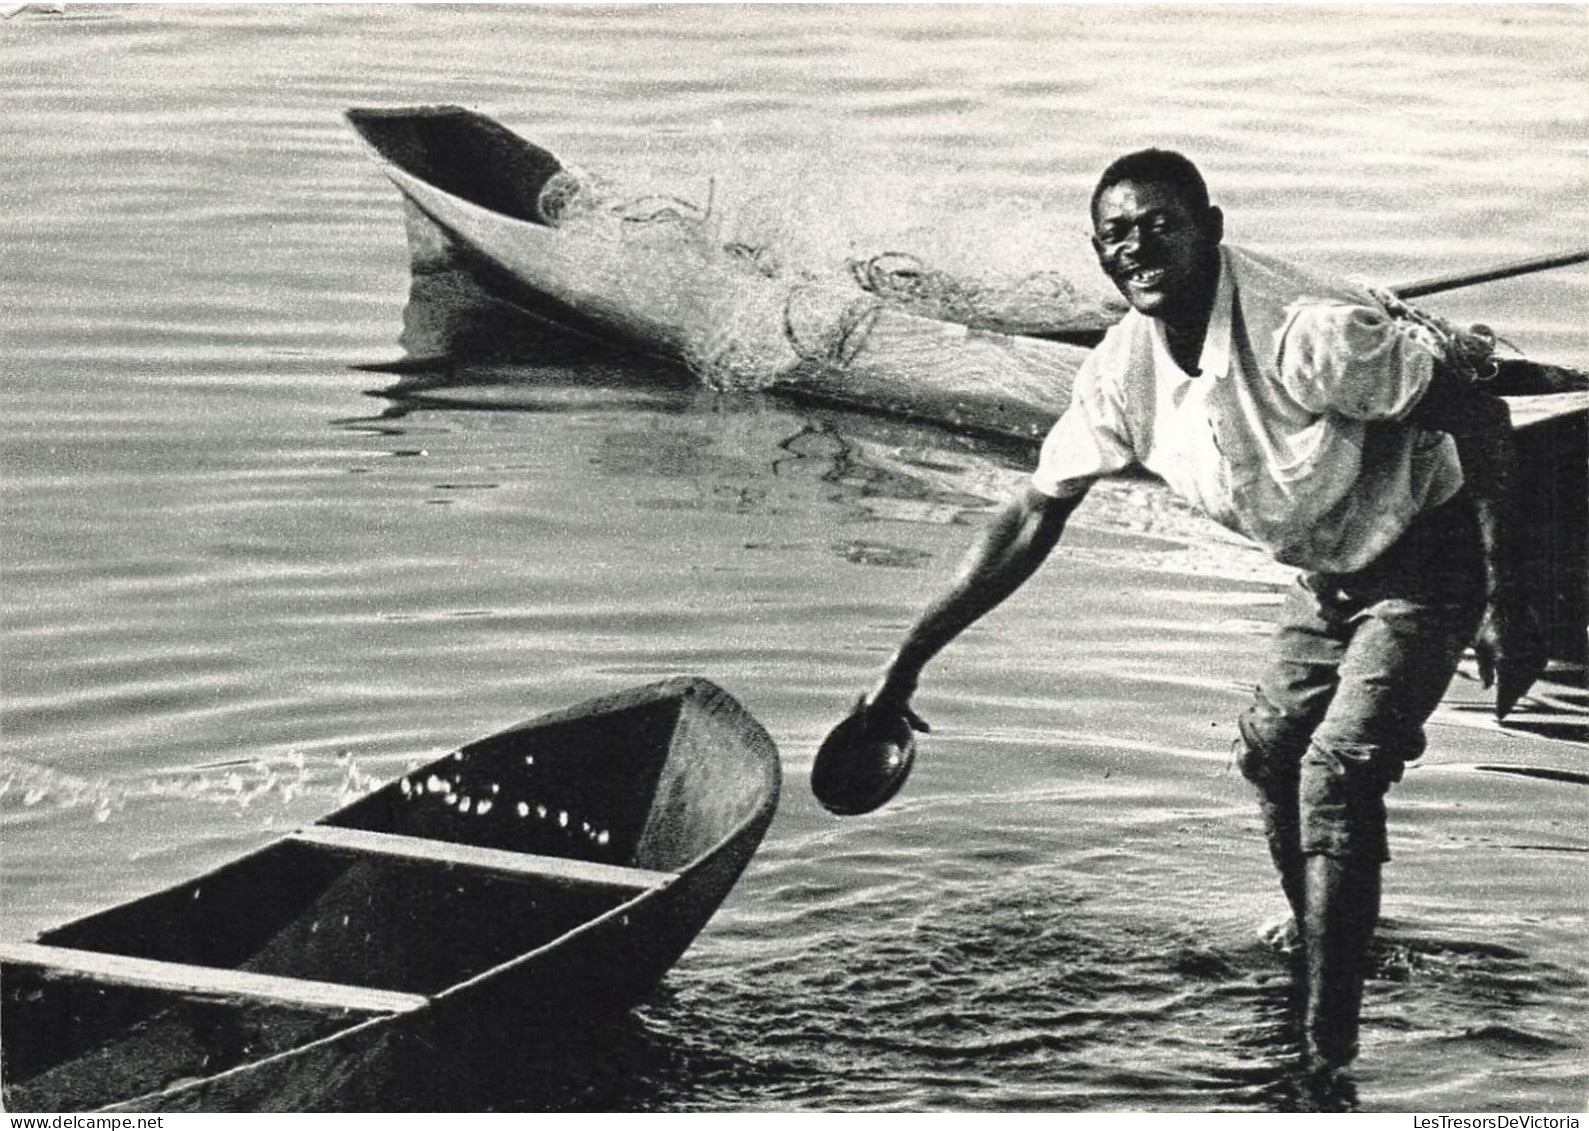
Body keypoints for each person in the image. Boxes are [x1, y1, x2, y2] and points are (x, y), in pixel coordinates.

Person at [854, 148, 1545, 1075]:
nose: (1136, 247)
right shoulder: (1120, 369)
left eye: (1159, 226)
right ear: (1097, 253)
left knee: (1336, 775)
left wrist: (1509, 600)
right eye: (1115, 234)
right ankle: (1324, 946)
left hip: (1437, 555)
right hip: (1331, 571)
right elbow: (1028, 514)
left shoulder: (1311, 335)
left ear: (1209, 231)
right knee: (1269, 753)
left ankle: (1323, 1053)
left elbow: (1482, 414)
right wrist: (904, 664)